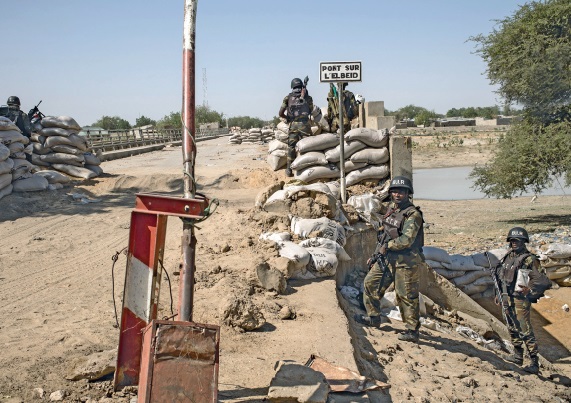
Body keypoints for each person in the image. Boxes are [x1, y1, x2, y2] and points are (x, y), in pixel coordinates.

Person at [355, 176, 425, 342]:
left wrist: (388, 246)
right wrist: (375, 254)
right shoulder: (392, 209)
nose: (397, 195)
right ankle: (374, 317)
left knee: (405, 295)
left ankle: (412, 330)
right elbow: (384, 234)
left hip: (406, 262)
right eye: (394, 191)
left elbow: (407, 240)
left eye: (401, 192)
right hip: (386, 259)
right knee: (370, 283)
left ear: (408, 194)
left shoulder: (413, 215)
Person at [492, 227, 550, 374]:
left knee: (525, 330)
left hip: (520, 299)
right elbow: (500, 277)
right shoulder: (507, 256)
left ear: (524, 241)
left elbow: (543, 280)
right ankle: (518, 356)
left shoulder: (529, 259)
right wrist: (498, 294)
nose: (514, 243)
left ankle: (534, 363)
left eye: (517, 240)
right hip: (507, 297)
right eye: (512, 240)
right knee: (511, 326)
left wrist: (530, 290)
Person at [278, 78, 314, 177]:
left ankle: (289, 170)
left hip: (293, 125)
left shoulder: (287, 98)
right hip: (305, 126)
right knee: (307, 147)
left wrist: (288, 118)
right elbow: (311, 110)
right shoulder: (308, 98)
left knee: (291, 148)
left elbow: (280, 113)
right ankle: (307, 169)